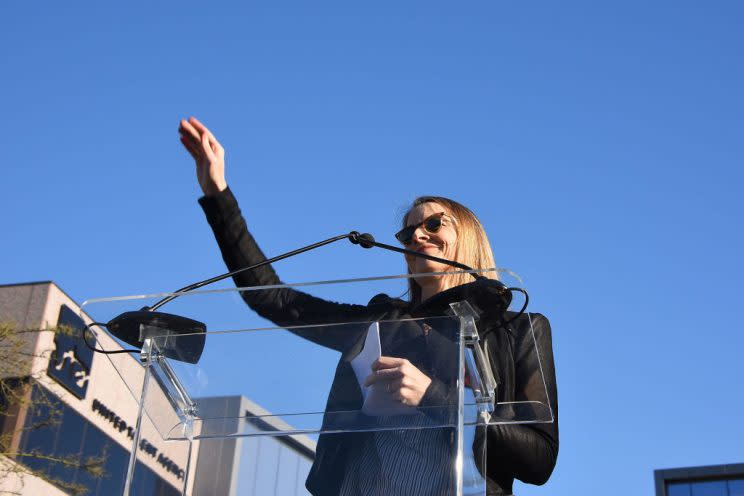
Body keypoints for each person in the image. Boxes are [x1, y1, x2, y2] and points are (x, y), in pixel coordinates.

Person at [178, 116, 559, 496]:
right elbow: (273, 299)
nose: (417, 236)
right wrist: (218, 194)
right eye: (408, 231)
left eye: (433, 224)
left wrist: (435, 397)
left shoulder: (517, 331)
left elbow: (539, 459)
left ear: (468, 235)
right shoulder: (380, 324)